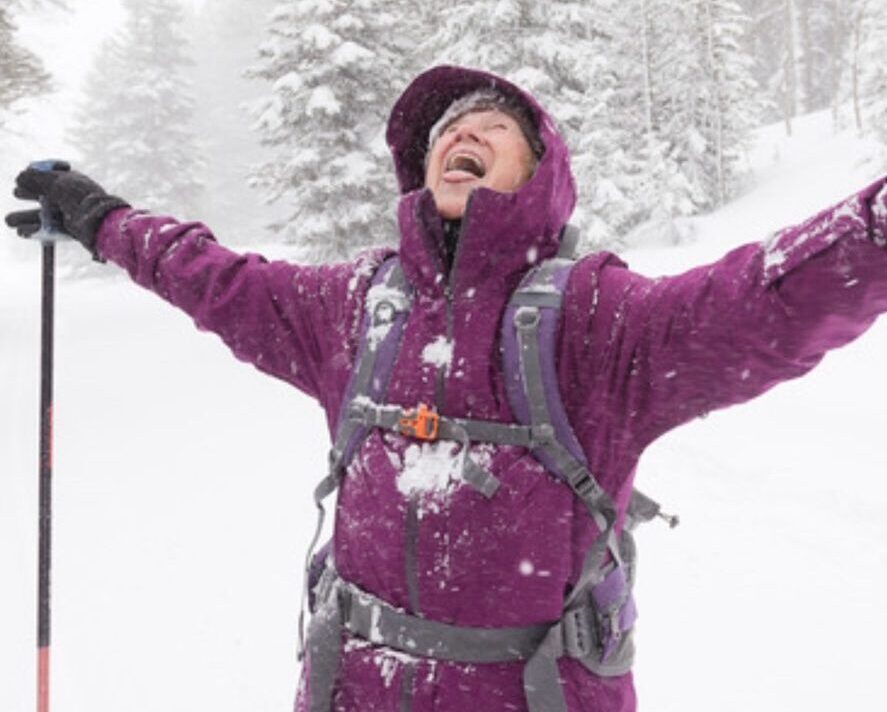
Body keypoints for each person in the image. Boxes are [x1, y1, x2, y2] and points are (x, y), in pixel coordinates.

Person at [6, 65, 887, 712]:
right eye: (444, 130)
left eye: (490, 125)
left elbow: (772, 295)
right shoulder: (355, 307)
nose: (460, 134)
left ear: (539, 169)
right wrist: (100, 218)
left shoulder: (598, 322)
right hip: (350, 687)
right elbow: (212, 276)